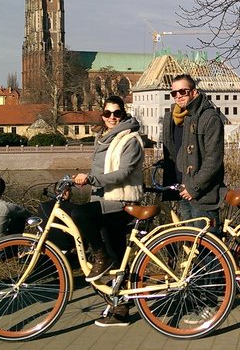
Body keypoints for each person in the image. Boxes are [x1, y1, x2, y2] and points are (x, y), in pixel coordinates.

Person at [71, 95, 144, 328]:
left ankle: (101, 258)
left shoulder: (130, 138)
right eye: (107, 113)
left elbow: (123, 173)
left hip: (121, 201)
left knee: (80, 215)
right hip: (103, 199)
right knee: (119, 258)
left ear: (124, 114)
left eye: (117, 113)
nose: (112, 117)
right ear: (102, 116)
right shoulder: (101, 138)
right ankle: (120, 310)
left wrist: (92, 179)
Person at [161, 74, 227, 230]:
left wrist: (194, 188)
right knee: (193, 246)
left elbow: (214, 160)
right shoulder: (174, 117)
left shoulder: (209, 118)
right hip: (183, 189)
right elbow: (176, 151)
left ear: (194, 92)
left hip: (201, 194)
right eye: (174, 93)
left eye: (182, 91)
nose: (178, 96)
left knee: (208, 248)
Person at [36, 184, 76, 253]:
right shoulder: (73, 208)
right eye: (70, 191)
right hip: (64, 245)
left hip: (44, 243)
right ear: (64, 192)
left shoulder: (43, 206)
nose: (71, 194)